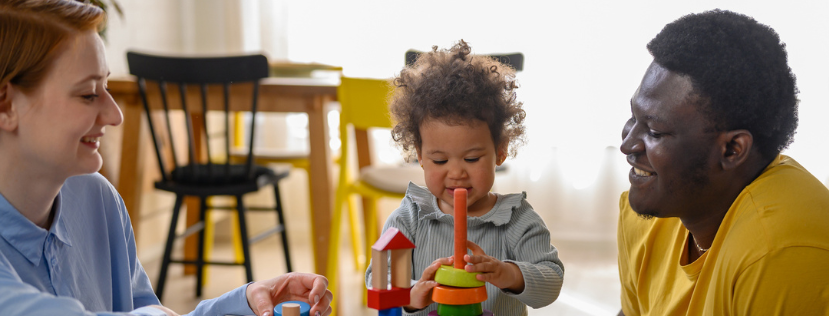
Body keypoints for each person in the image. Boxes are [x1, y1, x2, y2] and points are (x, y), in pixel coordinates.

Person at [0, 1, 332, 315]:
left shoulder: (96, 199)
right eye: (88, 94)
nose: (115, 115)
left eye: (107, 88)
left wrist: (243, 303)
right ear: (6, 104)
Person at [617, 9, 829, 316]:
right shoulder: (649, 212)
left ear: (732, 150)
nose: (627, 145)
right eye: (633, 118)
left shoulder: (781, 252)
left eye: (654, 131)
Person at [365, 40, 564, 316]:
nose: (457, 173)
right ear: (420, 156)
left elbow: (551, 281)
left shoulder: (517, 220)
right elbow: (378, 280)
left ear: (500, 150)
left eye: (471, 159)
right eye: (440, 160)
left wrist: (509, 274)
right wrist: (411, 294)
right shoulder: (409, 217)